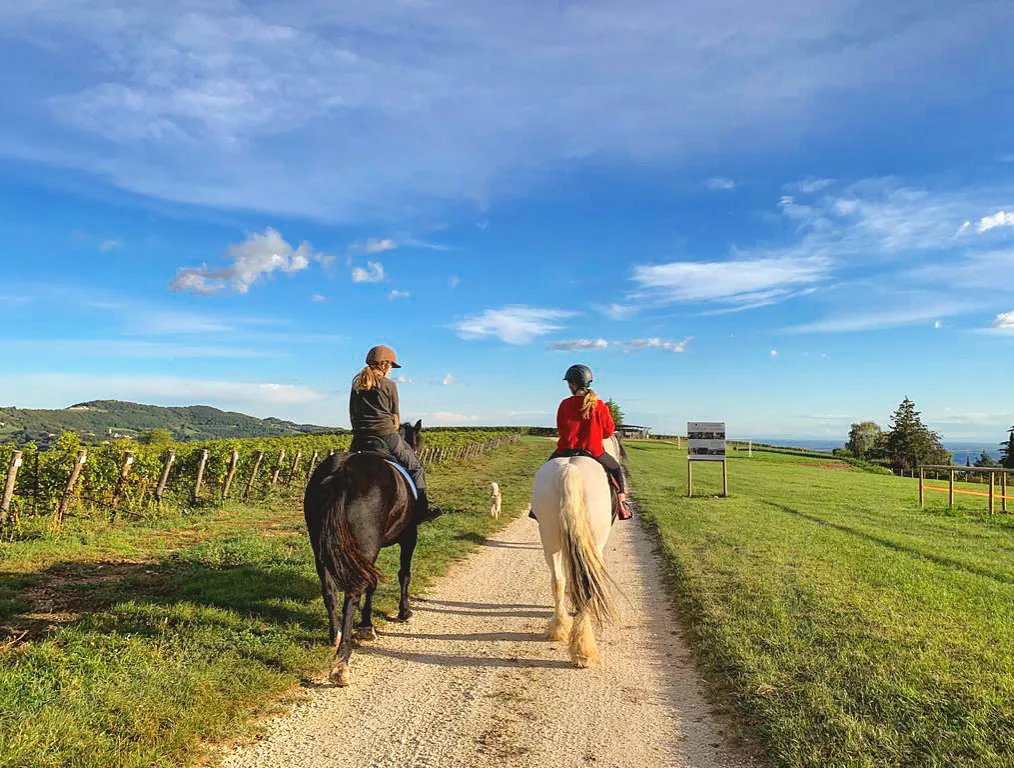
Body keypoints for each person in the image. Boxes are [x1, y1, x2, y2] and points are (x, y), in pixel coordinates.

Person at [349, 344, 443, 524]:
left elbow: (352, 414)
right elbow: (395, 417)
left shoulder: (356, 385)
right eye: (391, 366)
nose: (391, 370)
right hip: (386, 436)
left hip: (359, 439)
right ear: (384, 365)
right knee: (415, 466)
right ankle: (422, 510)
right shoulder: (389, 385)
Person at [541, 364, 632, 520]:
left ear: (572, 384)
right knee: (616, 469)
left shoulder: (564, 404)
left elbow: (562, 430)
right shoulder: (600, 406)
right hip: (593, 451)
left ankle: (537, 508)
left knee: (544, 475)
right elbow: (608, 432)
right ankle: (622, 504)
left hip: (565, 451)